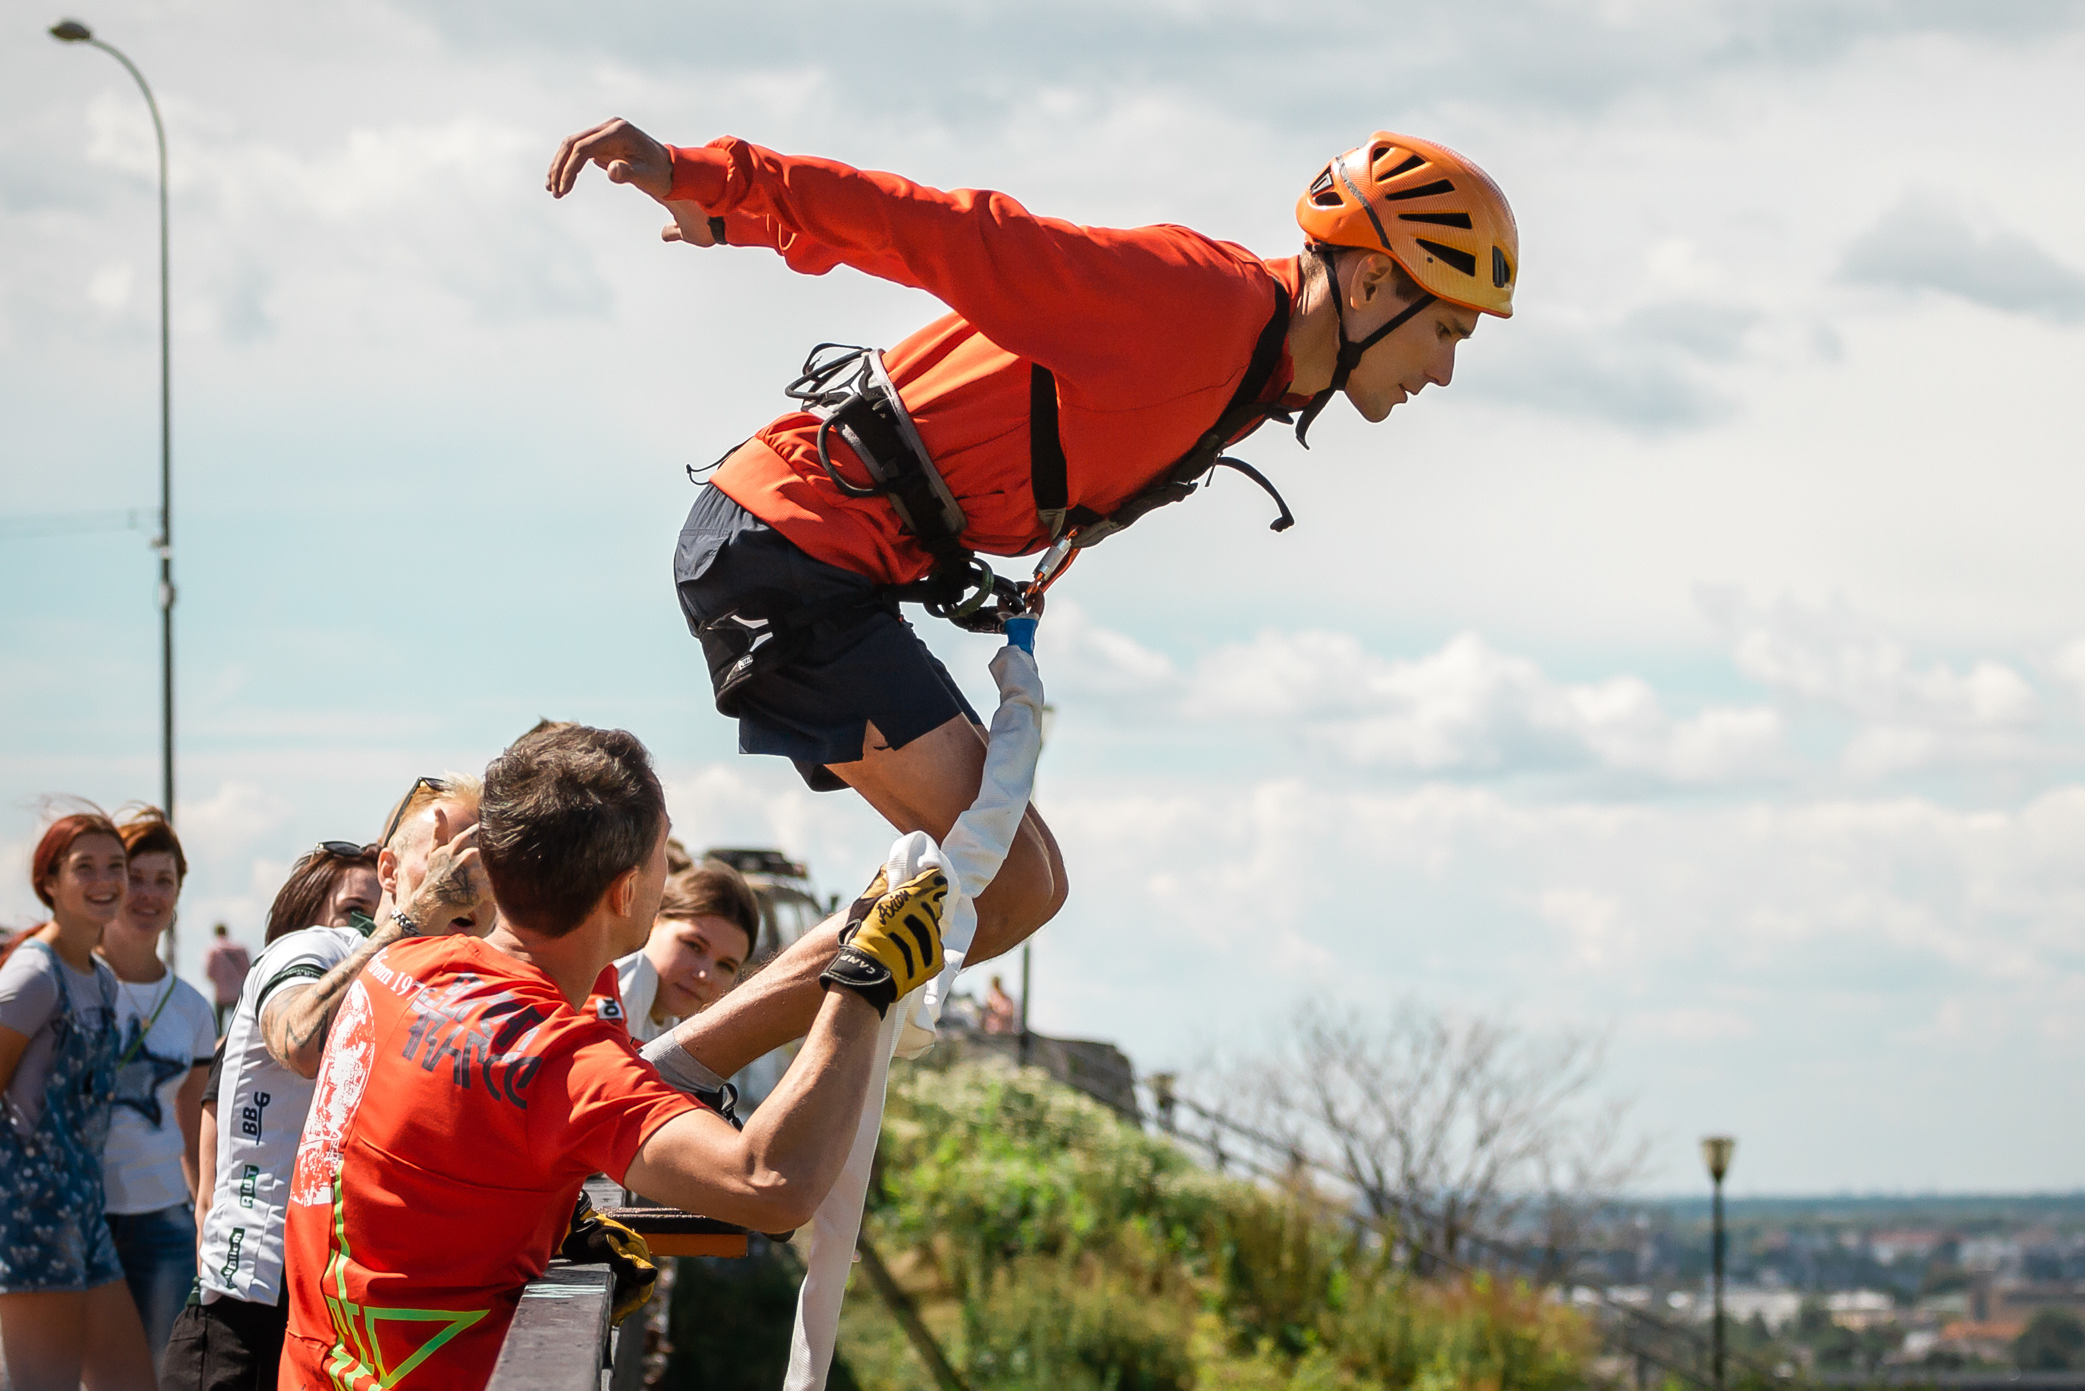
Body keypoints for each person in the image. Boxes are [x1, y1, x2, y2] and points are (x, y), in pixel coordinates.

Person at [546, 119, 1520, 1009]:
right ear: (1368, 283)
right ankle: (663, 1089)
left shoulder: (1261, 366)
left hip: (824, 554)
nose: (1441, 370)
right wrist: (715, 186)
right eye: (1446, 328)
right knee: (1006, 887)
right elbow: (948, 232)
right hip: (791, 539)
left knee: (1007, 888)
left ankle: (670, 1073)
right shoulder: (1199, 301)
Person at [277, 722, 951, 1390]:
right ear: (626, 893)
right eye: (663, 854)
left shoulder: (402, 966)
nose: (671, 869)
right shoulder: (556, 1059)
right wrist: (865, 980)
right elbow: (771, 1184)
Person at [162, 785, 489, 1391]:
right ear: (389, 869)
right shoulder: (315, 948)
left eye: (485, 863)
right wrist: (417, 917)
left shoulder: (467, 989)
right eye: (448, 858)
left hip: (356, 1325)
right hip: (250, 1314)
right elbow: (301, 1043)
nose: (464, 880)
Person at [0, 808, 154, 1391]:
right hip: (31, 1217)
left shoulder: (102, 977)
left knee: (132, 1380)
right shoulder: (33, 975)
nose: (105, 880)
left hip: (83, 1215)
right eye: (83, 866)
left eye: (115, 865)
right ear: (50, 882)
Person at [96, 813, 219, 1368]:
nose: (148, 895)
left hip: (163, 1220)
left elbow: (191, 1119)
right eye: (134, 878)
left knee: (154, 1372)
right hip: (82, 1214)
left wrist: (203, 1213)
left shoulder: (192, 1007)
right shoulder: (68, 982)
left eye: (163, 881)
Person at [612, 860, 759, 1048]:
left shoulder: (670, 1025)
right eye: (694, 946)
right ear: (653, 922)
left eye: (725, 965)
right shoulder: (634, 971)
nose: (704, 975)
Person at [202, 928, 249, 1033]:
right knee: (239, 1026)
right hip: (237, 993)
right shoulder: (239, 949)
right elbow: (248, 970)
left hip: (221, 994)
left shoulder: (214, 950)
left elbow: (209, 973)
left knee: (219, 1028)